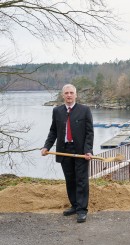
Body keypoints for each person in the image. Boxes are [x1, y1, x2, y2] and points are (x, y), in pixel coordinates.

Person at [41, 84, 94, 223]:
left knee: (81, 180)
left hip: (81, 151)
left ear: (76, 95)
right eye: (66, 93)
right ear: (63, 95)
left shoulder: (85, 110)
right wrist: (46, 146)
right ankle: (75, 206)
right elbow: (53, 131)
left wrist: (88, 150)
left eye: (71, 93)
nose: (69, 95)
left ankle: (82, 210)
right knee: (70, 179)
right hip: (64, 151)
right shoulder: (57, 111)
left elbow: (89, 133)